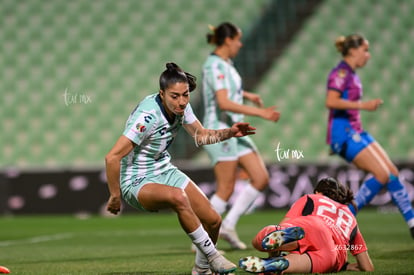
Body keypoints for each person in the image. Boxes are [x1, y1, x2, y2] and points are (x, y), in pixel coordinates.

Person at [105, 62, 258, 274]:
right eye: (175, 96)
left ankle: (201, 270)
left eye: (185, 95)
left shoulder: (181, 107)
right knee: (178, 197)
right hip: (136, 179)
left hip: (164, 169)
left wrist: (229, 132)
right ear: (162, 93)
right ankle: (213, 257)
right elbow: (112, 157)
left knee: (213, 221)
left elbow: (201, 136)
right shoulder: (148, 117)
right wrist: (115, 196)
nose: (182, 101)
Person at [325, 34, 414, 238]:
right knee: (381, 175)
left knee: (391, 172)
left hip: (356, 131)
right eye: (365, 50)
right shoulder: (341, 72)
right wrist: (363, 105)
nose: (368, 55)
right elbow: (331, 101)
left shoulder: (352, 74)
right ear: (353, 51)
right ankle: (343, 219)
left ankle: (412, 223)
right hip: (345, 133)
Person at [201, 22, 280, 250]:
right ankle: (203, 240)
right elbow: (223, 102)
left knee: (260, 177)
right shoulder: (214, 65)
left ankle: (228, 225)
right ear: (228, 40)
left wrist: (247, 94)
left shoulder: (226, 63)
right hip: (220, 130)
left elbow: (227, 90)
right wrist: (261, 112)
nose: (240, 44)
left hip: (235, 128)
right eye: (238, 39)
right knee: (225, 188)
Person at [239, 177, 374, 274]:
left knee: (263, 238)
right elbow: (367, 267)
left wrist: (273, 252)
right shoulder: (350, 217)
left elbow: (284, 224)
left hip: (312, 225)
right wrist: (346, 266)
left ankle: (274, 259)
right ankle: (278, 266)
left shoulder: (312, 198)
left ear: (317, 192)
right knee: (294, 264)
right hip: (332, 253)